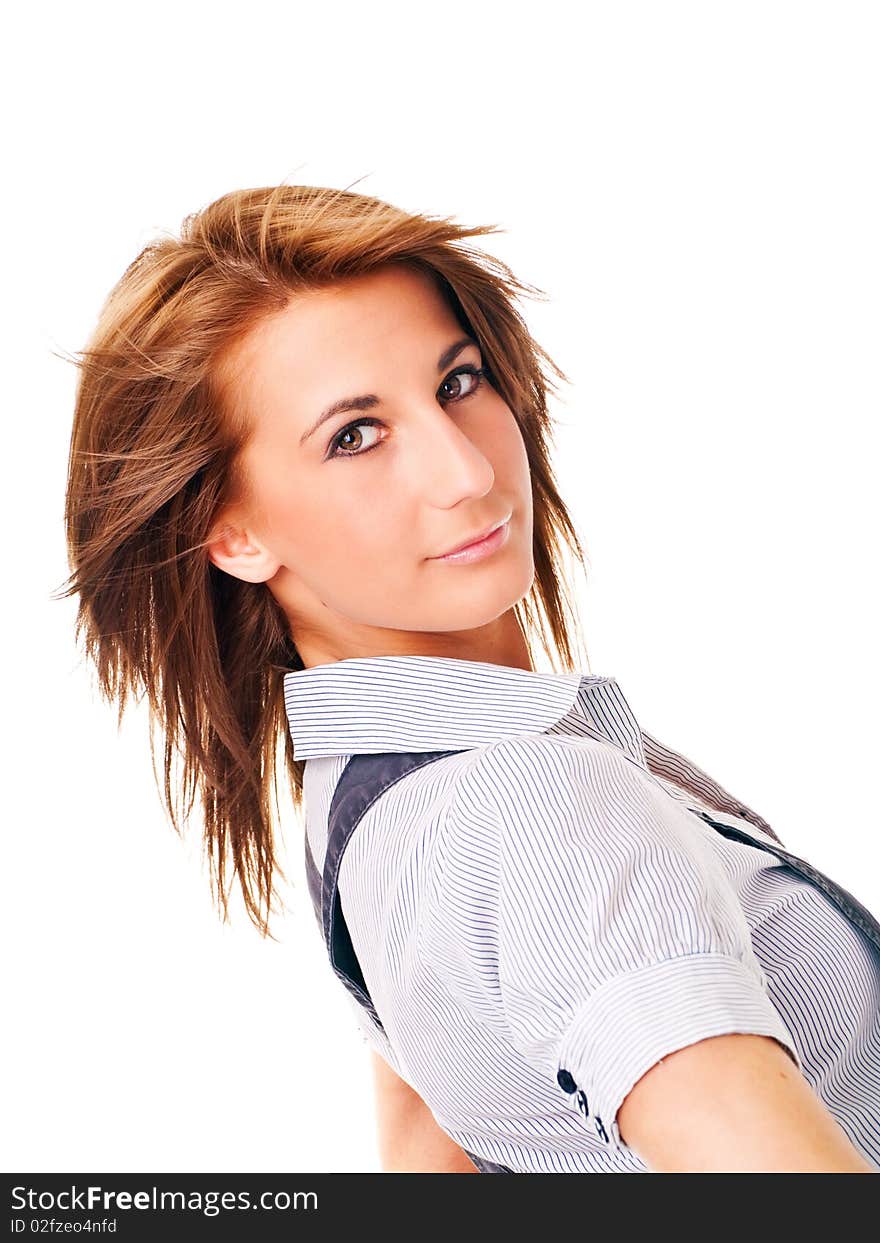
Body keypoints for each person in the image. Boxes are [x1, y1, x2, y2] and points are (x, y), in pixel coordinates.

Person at [60, 183, 879, 1174]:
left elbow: (428, 1162)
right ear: (228, 531)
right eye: (354, 435)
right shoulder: (531, 802)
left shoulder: (361, 806)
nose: (465, 472)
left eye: (457, 383)